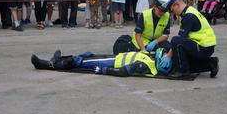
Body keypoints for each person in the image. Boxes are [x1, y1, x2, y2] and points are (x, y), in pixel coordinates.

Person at [159, 0, 219, 79]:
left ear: (177, 5)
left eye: (172, 11)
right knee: (180, 62)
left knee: (176, 41)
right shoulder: (190, 11)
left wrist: (168, 56)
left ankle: (182, 72)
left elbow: (180, 39)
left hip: (202, 47)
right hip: (204, 47)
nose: (173, 13)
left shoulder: (189, 16)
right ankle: (210, 64)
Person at [31, 49, 161, 77]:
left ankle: (47, 64)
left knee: (78, 62)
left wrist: (105, 70)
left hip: (112, 64)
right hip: (114, 57)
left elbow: (123, 71)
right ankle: (59, 59)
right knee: (87, 55)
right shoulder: (150, 58)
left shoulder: (146, 65)